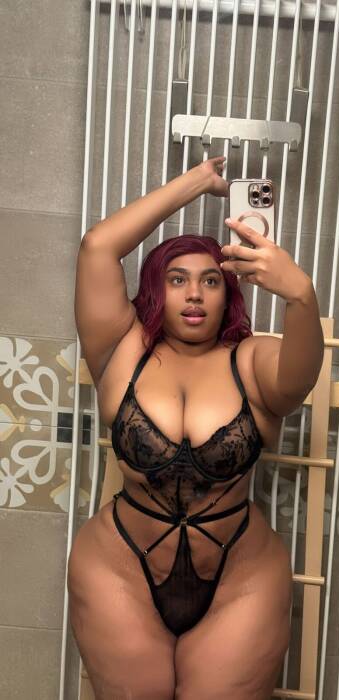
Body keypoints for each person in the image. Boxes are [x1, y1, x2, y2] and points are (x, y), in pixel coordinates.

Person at [67, 155, 324, 699]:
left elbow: (298, 381)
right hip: (118, 568)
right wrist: (198, 183)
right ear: (156, 289)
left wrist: (301, 295)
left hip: (240, 578)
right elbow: (98, 247)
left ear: (229, 293)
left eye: (211, 281)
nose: (194, 294)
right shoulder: (122, 350)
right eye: (177, 279)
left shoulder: (251, 361)